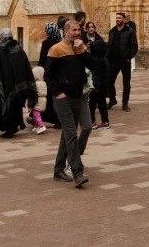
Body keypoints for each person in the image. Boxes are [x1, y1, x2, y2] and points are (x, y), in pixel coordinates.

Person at [46, 19, 93, 189]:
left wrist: (82, 50)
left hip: (78, 95)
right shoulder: (56, 49)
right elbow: (48, 75)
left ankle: (58, 169)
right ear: (66, 31)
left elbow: (92, 64)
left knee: (71, 132)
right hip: (62, 98)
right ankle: (77, 173)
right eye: (74, 30)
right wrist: (58, 93)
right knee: (71, 133)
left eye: (79, 30)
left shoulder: (80, 47)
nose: (77, 33)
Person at [0, 28, 37, 138]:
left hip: (3, 86)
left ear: (1, 37)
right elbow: (26, 68)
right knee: (15, 106)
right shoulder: (19, 49)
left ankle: (9, 129)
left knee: (4, 105)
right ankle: (13, 127)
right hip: (17, 87)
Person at [107, 12, 138, 113]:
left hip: (125, 61)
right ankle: (112, 100)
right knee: (109, 81)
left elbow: (134, 46)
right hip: (113, 61)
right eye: (116, 18)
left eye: (120, 18)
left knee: (126, 83)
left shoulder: (130, 31)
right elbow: (109, 45)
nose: (118, 19)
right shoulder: (112, 31)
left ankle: (125, 103)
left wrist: (129, 57)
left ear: (124, 19)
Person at [84, 21, 112, 129]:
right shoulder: (104, 60)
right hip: (103, 86)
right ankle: (105, 122)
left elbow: (96, 75)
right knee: (102, 105)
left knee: (91, 105)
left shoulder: (96, 61)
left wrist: (96, 86)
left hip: (96, 87)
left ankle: (92, 122)